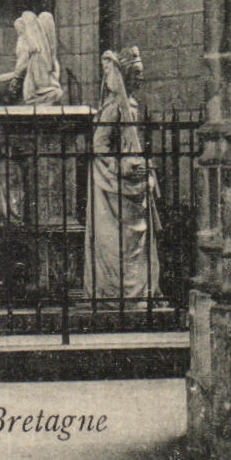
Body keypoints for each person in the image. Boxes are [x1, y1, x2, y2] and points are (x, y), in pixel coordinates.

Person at [84, 47, 161, 300]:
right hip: (115, 186)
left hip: (133, 185)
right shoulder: (114, 107)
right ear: (126, 75)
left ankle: (139, 295)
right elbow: (99, 146)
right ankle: (115, 295)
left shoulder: (132, 106)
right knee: (115, 244)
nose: (140, 78)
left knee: (134, 247)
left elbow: (132, 144)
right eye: (136, 73)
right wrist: (121, 166)